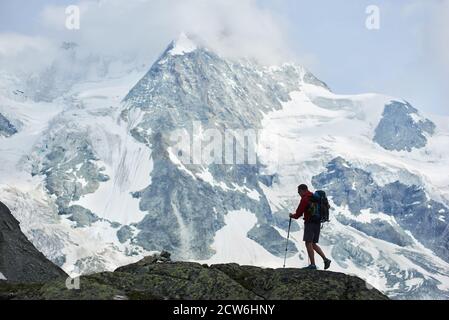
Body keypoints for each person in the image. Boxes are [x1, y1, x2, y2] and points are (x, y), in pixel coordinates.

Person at [290, 184, 331, 270]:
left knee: (308, 243)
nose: (298, 193)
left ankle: (312, 265)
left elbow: (298, 214)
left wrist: (292, 216)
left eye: (299, 192)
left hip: (310, 223)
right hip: (318, 223)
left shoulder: (305, 199)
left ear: (302, 190)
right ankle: (325, 259)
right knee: (313, 243)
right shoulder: (314, 197)